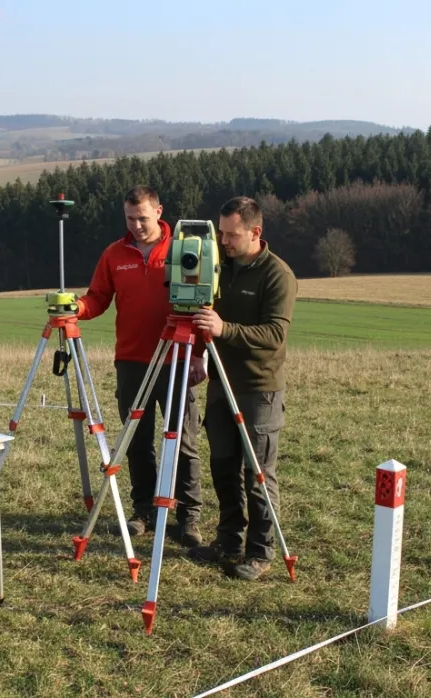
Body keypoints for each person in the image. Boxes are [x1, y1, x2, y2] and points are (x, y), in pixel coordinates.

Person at [75, 185, 205, 546]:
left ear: (159, 211)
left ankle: (188, 517)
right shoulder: (115, 254)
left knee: (184, 442)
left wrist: (200, 352)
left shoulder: (185, 248)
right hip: (131, 361)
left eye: (143, 218)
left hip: (178, 358)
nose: (137, 226)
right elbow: (99, 297)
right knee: (137, 441)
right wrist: (78, 308)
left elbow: (206, 298)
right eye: (130, 219)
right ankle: (144, 509)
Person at [188, 195, 297, 580]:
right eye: (221, 232)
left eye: (232, 234)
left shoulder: (277, 275)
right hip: (221, 383)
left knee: (258, 474)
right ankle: (228, 540)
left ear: (256, 232)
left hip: (258, 389)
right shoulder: (221, 266)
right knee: (223, 467)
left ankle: (260, 552)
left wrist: (225, 330)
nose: (224, 240)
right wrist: (202, 352)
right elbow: (204, 316)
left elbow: (274, 333)